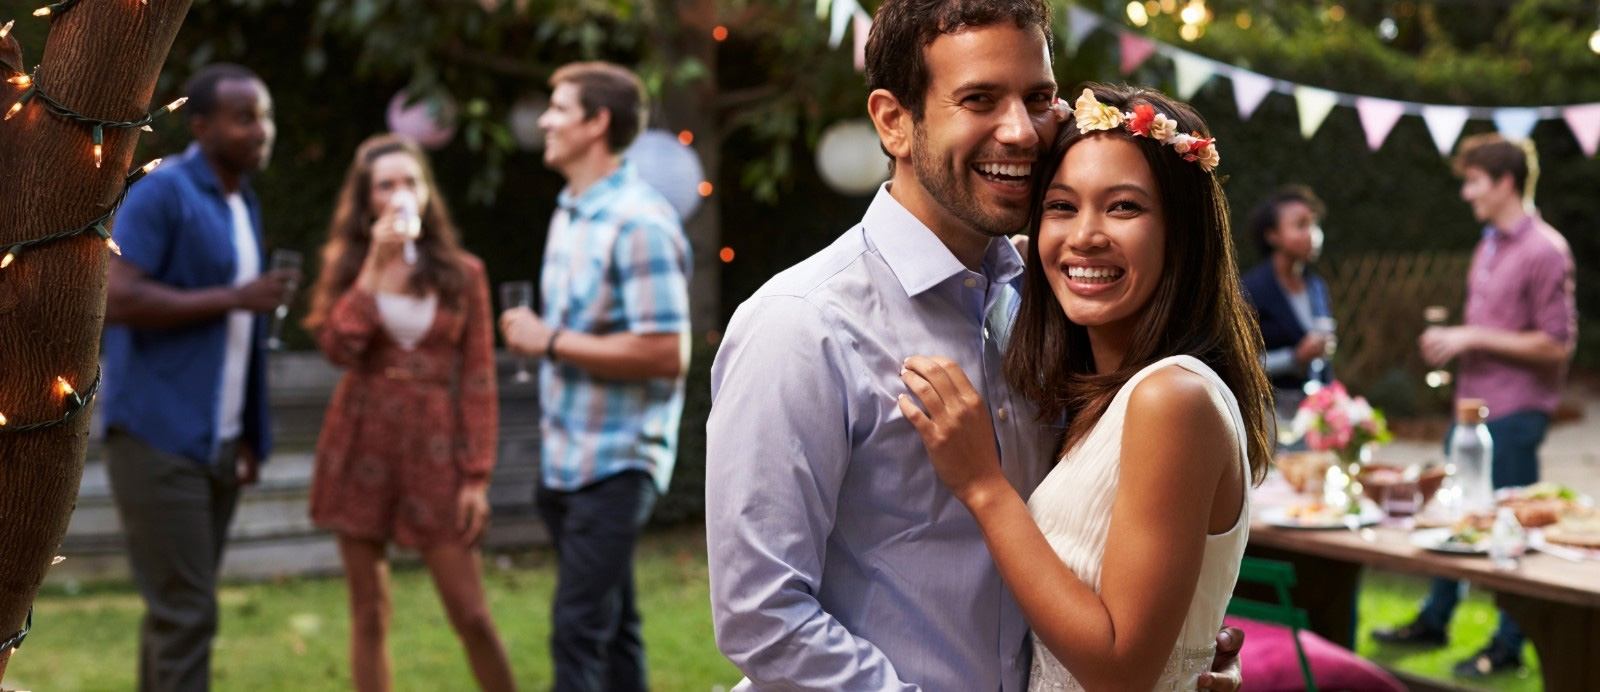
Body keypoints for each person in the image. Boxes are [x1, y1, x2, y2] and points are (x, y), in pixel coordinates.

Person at [704, 2, 1243, 689]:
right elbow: (762, 617)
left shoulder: (1046, 310)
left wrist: (1183, 650)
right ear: (893, 121)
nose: (1020, 131)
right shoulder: (802, 326)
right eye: (980, 99)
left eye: (1039, 97)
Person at [898, 83, 1270, 690]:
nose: (1084, 236)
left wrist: (984, 486)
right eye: (1062, 207)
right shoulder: (1095, 394)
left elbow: (1120, 667)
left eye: (1123, 207)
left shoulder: (1170, 399)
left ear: (1182, 231)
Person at [498, 61, 691, 692]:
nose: (545, 120)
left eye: (558, 106)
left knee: (576, 631)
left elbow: (667, 352)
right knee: (614, 627)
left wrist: (548, 339)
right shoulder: (570, 211)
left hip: (617, 460)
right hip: (566, 458)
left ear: (596, 122)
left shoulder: (639, 223)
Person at [303, 134, 516, 692]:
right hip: (360, 441)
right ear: (367, 200)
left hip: (436, 449)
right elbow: (338, 348)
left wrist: (477, 475)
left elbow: (477, 378)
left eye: (410, 182)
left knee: (471, 614)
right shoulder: (351, 265)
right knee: (369, 611)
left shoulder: (464, 273)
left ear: (427, 193)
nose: (400, 194)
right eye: (385, 185)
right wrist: (375, 267)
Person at [103, 63, 291, 692]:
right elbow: (117, 296)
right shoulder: (165, 194)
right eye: (246, 117)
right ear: (202, 125)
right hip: (158, 435)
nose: (261, 130)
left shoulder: (242, 200)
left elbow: (242, 337)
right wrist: (233, 297)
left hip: (216, 439)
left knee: (179, 612)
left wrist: (247, 434)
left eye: (264, 116)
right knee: (186, 612)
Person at [1375, 133, 1577, 678]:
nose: (1466, 193)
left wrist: (1471, 338)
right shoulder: (1489, 242)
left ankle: (1508, 645)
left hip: (1514, 414)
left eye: (1474, 181)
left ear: (1506, 182)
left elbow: (1557, 345)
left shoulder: (1545, 250)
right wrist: (1456, 342)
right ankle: (1435, 619)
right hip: (1470, 409)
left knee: (1507, 527)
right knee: (1453, 516)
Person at [1241, 185, 1334, 430]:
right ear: (1272, 235)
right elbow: (1238, 363)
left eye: (1314, 224)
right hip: (1267, 419)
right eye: (1301, 225)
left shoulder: (1316, 286)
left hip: (1312, 416)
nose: (1313, 234)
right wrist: (1295, 358)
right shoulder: (1251, 290)